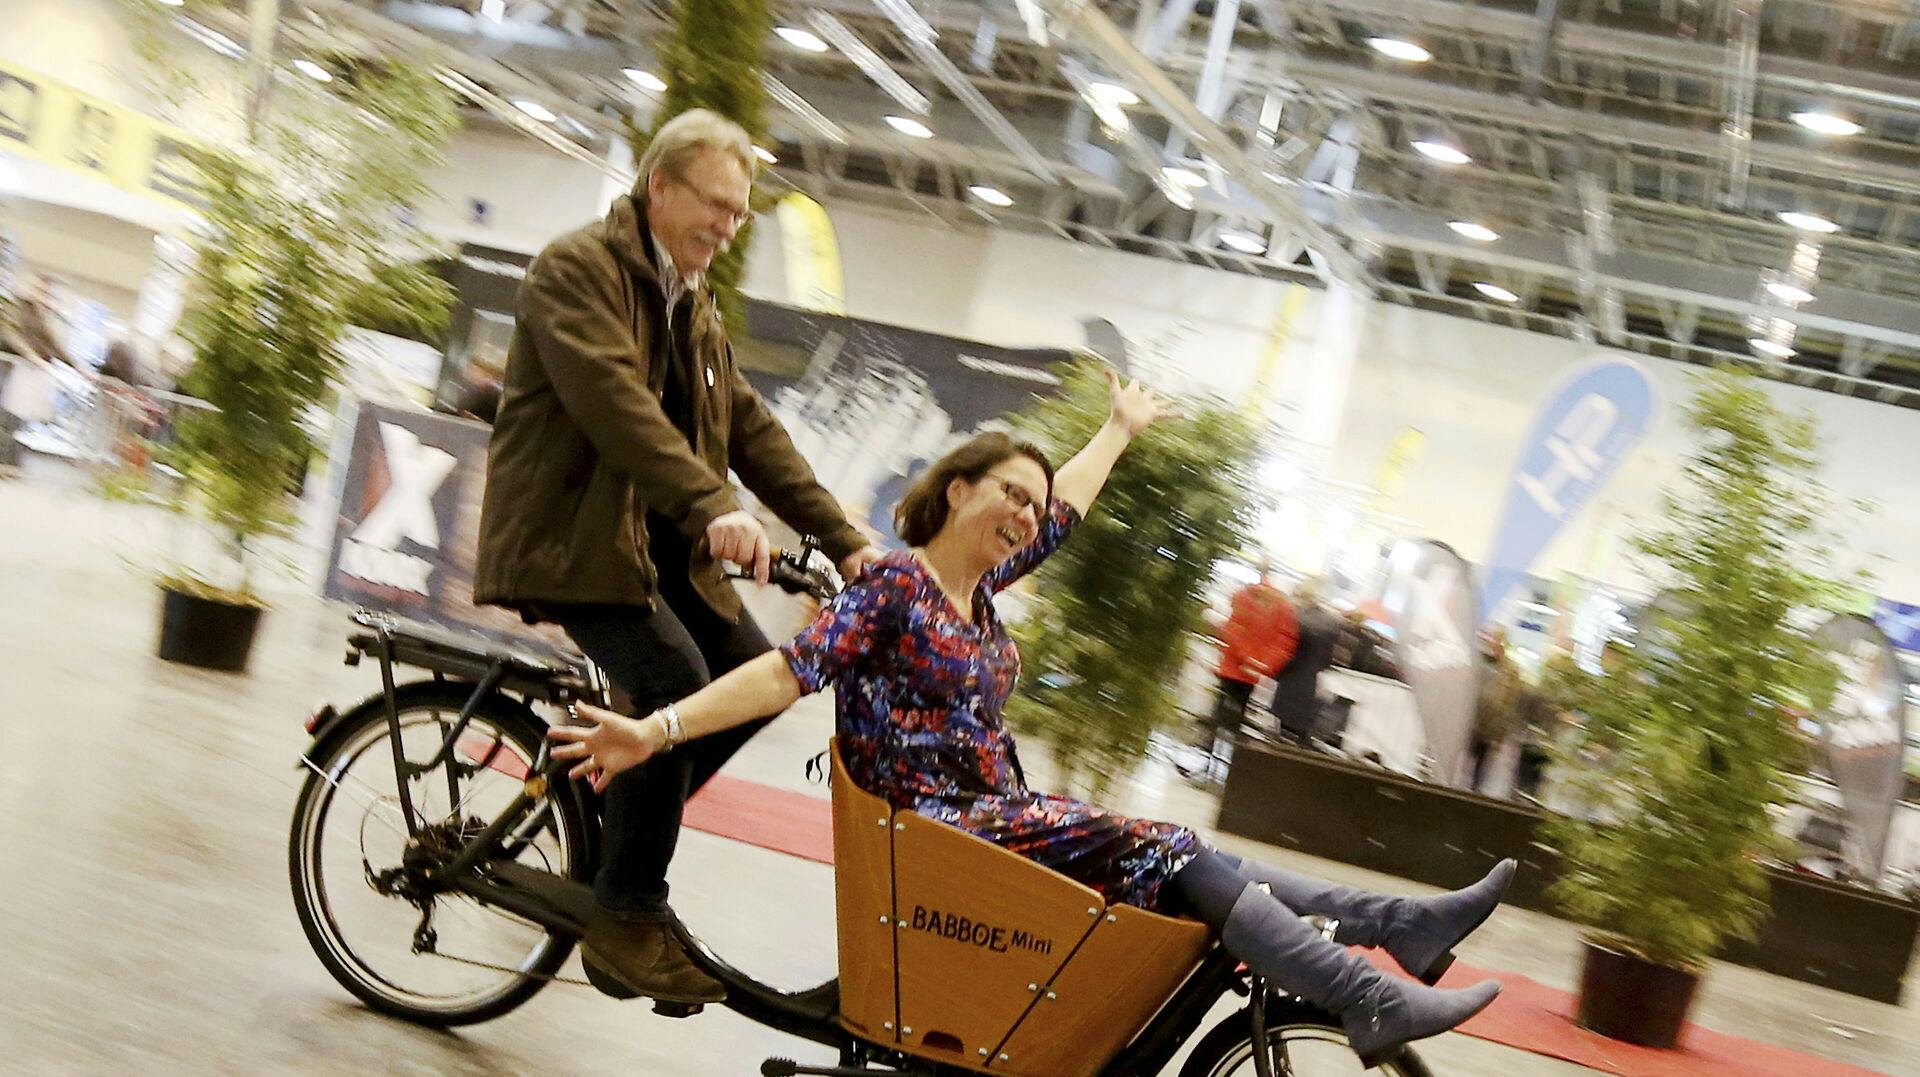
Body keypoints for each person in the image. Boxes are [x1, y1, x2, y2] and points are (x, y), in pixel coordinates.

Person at [553, 371, 1510, 1066]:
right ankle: (1368, 984)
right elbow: (784, 673)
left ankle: (1399, 929)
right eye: (1010, 492)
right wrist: (657, 729)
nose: (1027, 514)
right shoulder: (894, 585)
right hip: (933, 823)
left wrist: (1119, 430)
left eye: (1032, 504)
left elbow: (1066, 515)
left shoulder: (976, 588)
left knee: (1188, 858)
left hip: (988, 818)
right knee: (1177, 851)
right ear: (957, 485)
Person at [471, 108, 881, 1004]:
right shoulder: (577, 269)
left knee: (751, 675)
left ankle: (623, 849)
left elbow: (750, 429)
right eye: (716, 206)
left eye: (740, 216)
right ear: (659, 187)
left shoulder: (691, 300)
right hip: (568, 541)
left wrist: (848, 541)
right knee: (672, 679)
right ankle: (626, 912)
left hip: (647, 550)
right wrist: (711, 506)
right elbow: (616, 406)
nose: (728, 228)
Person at [1188, 560, 1297, 773]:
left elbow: (1232, 630)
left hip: (1231, 667)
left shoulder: (1242, 597)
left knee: (1218, 711)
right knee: (1237, 717)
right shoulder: (1284, 607)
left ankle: (1205, 759)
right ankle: (1228, 767)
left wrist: (1245, 658)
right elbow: (1285, 642)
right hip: (1251, 674)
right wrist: (1262, 664)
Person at [1270, 583, 1345, 746]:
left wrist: (1276, 670)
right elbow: (1328, 657)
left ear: (1301, 596)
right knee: (1302, 721)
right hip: (1311, 678)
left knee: (1286, 722)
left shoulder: (1297, 618)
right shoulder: (1330, 622)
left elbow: (1287, 648)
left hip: (1291, 675)